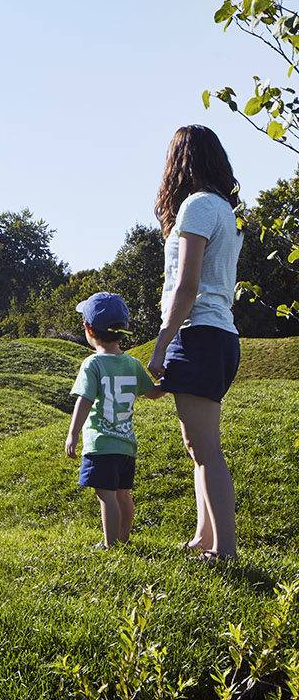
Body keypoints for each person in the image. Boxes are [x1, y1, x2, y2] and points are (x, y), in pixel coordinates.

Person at [147, 124, 244, 562]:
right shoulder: (224, 209)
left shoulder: (197, 206)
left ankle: (224, 551)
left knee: (206, 449)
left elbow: (186, 286)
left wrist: (162, 341)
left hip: (199, 333)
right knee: (197, 447)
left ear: (179, 162)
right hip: (220, 335)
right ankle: (204, 537)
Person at [64, 292, 157, 549]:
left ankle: (110, 546)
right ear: (124, 328)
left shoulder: (92, 364)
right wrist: (174, 379)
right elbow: (153, 393)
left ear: (88, 329)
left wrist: (73, 434)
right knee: (123, 495)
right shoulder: (133, 364)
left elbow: (84, 400)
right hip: (126, 445)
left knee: (106, 497)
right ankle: (124, 540)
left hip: (102, 445)